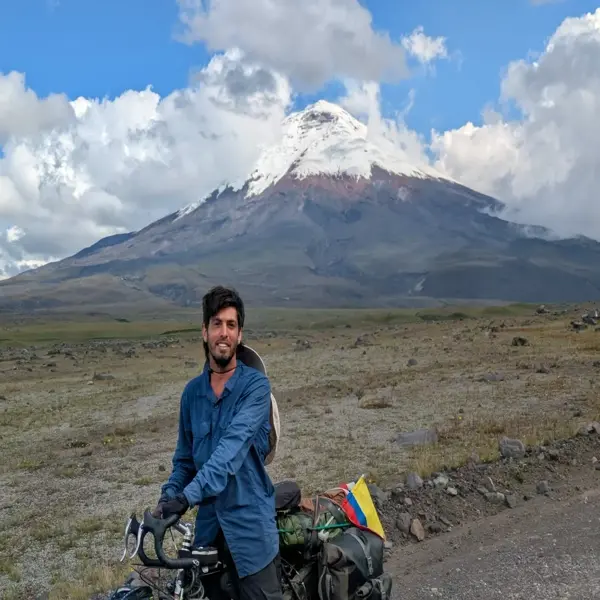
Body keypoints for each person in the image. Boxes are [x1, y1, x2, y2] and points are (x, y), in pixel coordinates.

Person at [154, 285, 283, 599]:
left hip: (250, 529)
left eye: (231, 325)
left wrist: (187, 498)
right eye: (216, 324)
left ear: (239, 335)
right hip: (209, 531)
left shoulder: (255, 387)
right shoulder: (192, 394)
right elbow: (184, 461)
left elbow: (230, 452)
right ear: (204, 332)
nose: (223, 333)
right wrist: (167, 500)